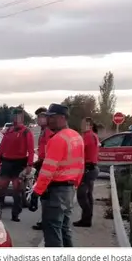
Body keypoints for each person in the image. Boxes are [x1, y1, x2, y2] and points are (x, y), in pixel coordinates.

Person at [28, 104, 85, 247]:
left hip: (55, 192)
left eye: (52, 117)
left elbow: (47, 171)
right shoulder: (76, 136)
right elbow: (80, 166)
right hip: (68, 190)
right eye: (48, 117)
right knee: (64, 229)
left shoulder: (58, 139)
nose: (49, 121)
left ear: (63, 118)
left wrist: (36, 193)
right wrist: (74, 185)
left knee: (52, 231)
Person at [0, 107, 35, 222]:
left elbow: (31, 150)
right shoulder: (9, 131)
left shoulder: (26, 132)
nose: (16, 119)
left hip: (19, 164)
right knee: (0, 189)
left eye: (18, 116)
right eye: (14, 116)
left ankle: (15, 214)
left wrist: (29, 165)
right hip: (7, 163)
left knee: (17, 191)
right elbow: (2, 147)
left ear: (22, 118)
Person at [74, 117, 101, 227]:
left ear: (90, 125)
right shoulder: (93, 135)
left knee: (81, 194)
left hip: (87, 168)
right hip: (92, 168)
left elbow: (79, 150)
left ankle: (86, 218)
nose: (81, 125)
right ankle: (87, 219)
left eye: (84, 124)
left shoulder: (88, 136)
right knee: (88, 195)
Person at [32, 106, 53, 231]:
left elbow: (49, 150)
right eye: (38, 117)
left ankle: (46, 220)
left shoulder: (49, 131)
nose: (39, 120)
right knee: (44, 195)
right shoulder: (43, 131)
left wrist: (42, 162)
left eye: (41, 117)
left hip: (46, 166)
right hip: (43, 163)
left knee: (45, 195)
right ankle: (45, 219)